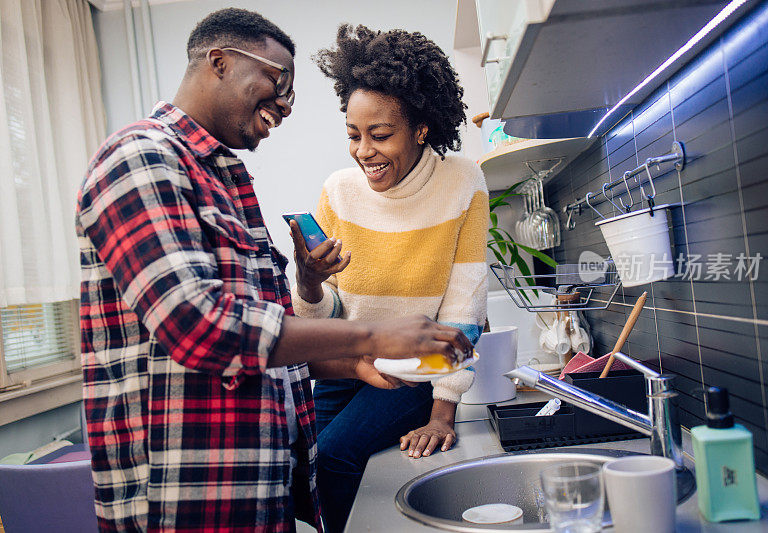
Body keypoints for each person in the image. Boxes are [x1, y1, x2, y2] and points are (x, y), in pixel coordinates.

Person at [74, 9, 471, 532]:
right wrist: (369, 335)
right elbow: (199, 327)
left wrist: (346, 364)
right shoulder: (140, 158)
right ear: (219, 61)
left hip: (253, 492)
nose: (285, 104)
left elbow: (264, 341)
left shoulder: (224, 182)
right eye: (278, 80)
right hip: (181, 501)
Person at [288, 24, 488, 533]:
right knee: (298, 473)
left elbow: (463, 307)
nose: (363, 152)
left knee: (333, 457)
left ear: (421, 128)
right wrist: (309, 283)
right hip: (342, 366)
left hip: (412, 368)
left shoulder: (461, 181)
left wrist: (443, 411)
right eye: (353, 135)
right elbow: (327, 312)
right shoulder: (338, 190)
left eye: (380, 135)